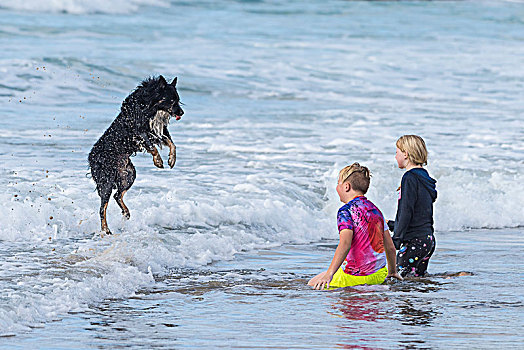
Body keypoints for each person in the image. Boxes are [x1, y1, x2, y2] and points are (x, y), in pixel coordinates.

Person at [308, 163, 401, 290]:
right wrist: (392, 272)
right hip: (378, 275)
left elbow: (345, 243)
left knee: (312, 283)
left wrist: (330, 274)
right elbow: (390, 247)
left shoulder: (346, 211)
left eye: (338, 183)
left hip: (353, 277)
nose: (336, 187)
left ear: (346, 186)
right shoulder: (376, 211)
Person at [388, 135, 437, 277]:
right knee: (417, 282)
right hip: (427, 240)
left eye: (396, 152)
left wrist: (395, 241)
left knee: (398, 280)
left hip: (414, 242)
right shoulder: (424, 177)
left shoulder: (409, 178)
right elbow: (419, 214)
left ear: (406, 154)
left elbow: (406, 211)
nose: (395, 156)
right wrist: (391, 224)